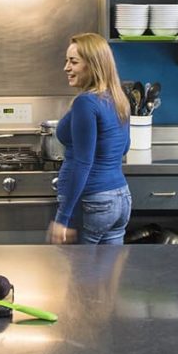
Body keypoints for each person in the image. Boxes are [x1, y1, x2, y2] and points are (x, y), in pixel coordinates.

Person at [47, 32, 132, 244]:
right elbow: (124, 147)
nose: (66, 67)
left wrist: (62, 218)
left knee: (80, 275)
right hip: (120, 199)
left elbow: (83, 162)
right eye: (67, 61)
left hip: (92, 202)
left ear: (92, 65)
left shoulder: (86, 103)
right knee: (109, 275)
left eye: (73, 62)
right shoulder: (118, 97)